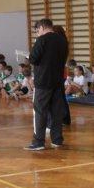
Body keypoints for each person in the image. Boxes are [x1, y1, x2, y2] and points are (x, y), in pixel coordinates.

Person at [25, 18, 68, 151]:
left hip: (43, 81)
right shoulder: (62, 40)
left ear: (42, 28)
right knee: (56, 111)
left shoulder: (41, 40)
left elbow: (33, 59)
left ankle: (38, 142)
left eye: (37, 30)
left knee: (40, 111)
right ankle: (57, 140)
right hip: (58, 81)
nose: (37, 33)